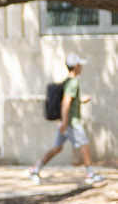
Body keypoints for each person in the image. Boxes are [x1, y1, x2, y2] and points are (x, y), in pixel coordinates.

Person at [29, 53, 103, 185]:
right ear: (75, 66)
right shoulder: (72, 83)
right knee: (84, 143)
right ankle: (90, 174)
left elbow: (69, 101)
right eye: (79, 65)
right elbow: (65, 103)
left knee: (57, 147)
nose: (81, 67)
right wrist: (64, 121)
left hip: (66, 122)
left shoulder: (67, 82)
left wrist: (80, 101)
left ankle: (35, 168)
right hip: (71, 122)